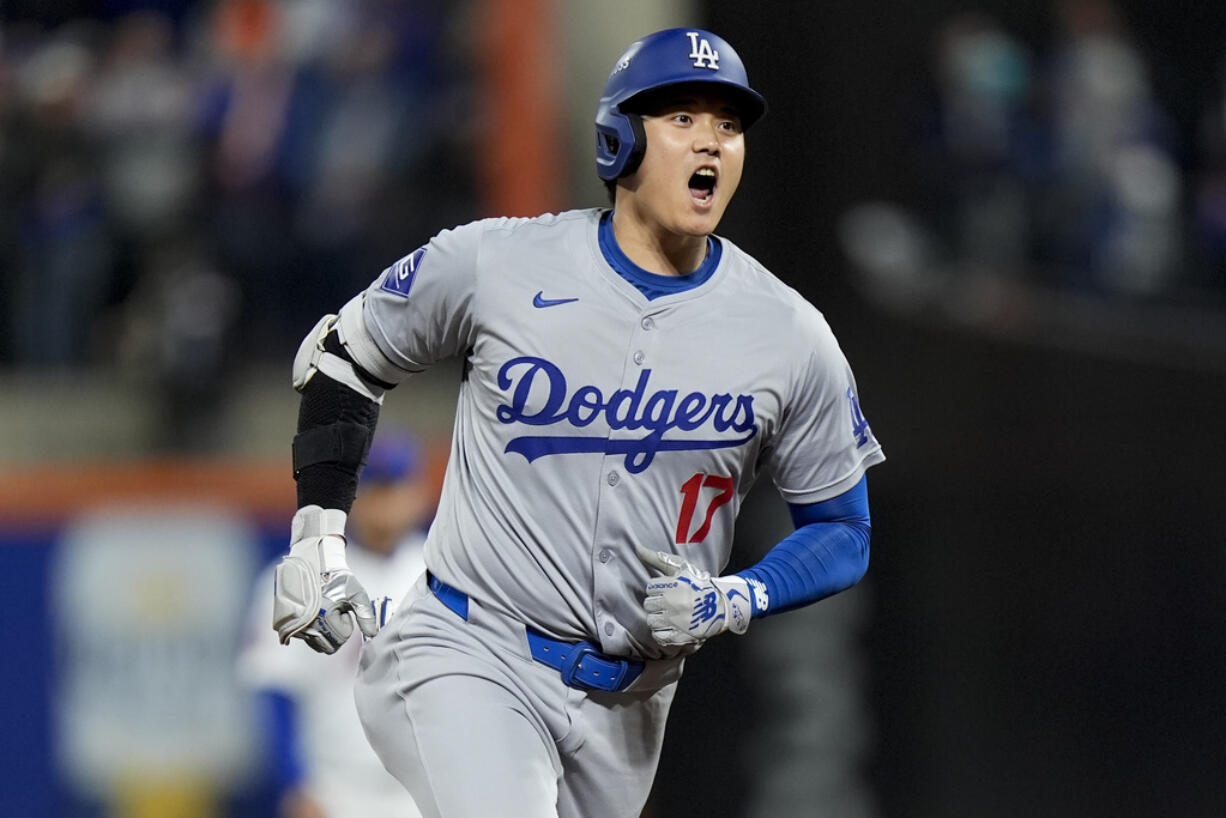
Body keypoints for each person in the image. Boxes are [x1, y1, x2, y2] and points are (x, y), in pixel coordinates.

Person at [271, 27, 885, 818]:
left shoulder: (788, 333)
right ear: (619, 140)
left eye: (728, 126)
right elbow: (341, 357)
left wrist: (741, 595)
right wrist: (317, 539)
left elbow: (843, 528)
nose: (713, 142)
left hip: (630, 707)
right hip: (469, 649)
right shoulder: (498, 263)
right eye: (684, 119)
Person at [242, 431, 433, 818]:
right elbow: (274, 692)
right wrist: (295, 785)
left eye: (394, 486)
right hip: (333, 791)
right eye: (374, 487)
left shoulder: (443, 575)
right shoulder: (300, 578)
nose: (384, 502)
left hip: (423, 792)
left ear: (418, 494)